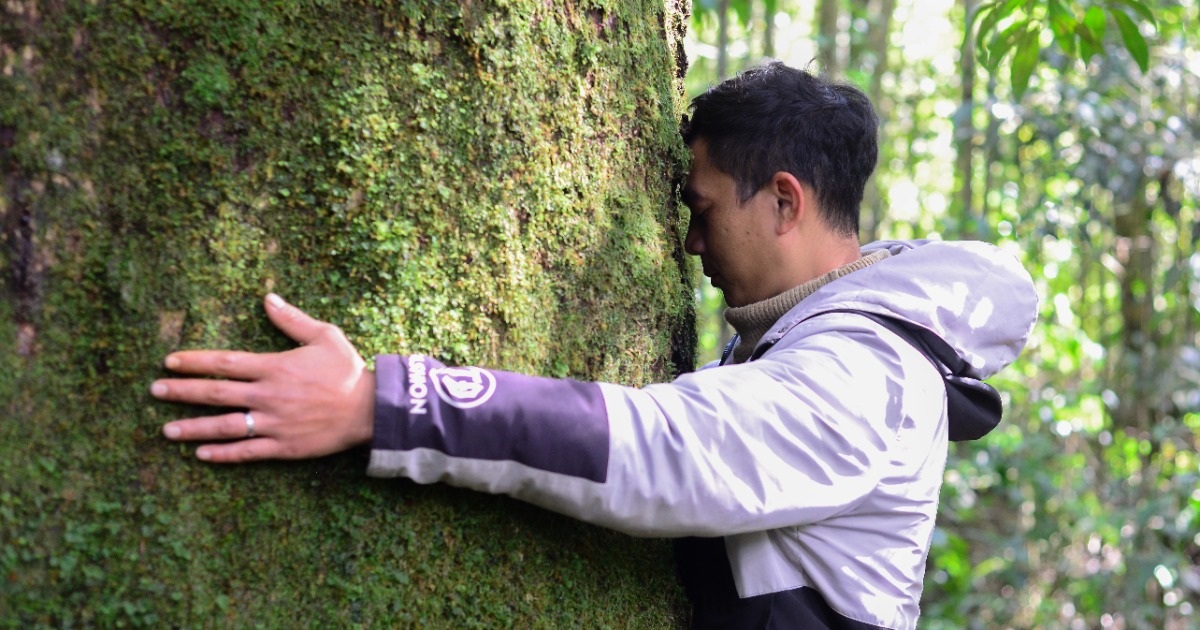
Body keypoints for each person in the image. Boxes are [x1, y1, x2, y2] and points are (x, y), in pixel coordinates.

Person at [152, 62, 1037, 629]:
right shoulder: (810, 337)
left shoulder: (862, 375)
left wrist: (379, 403)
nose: (690, 244)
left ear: (784, 200)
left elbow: (665, 449)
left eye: (704, 209)